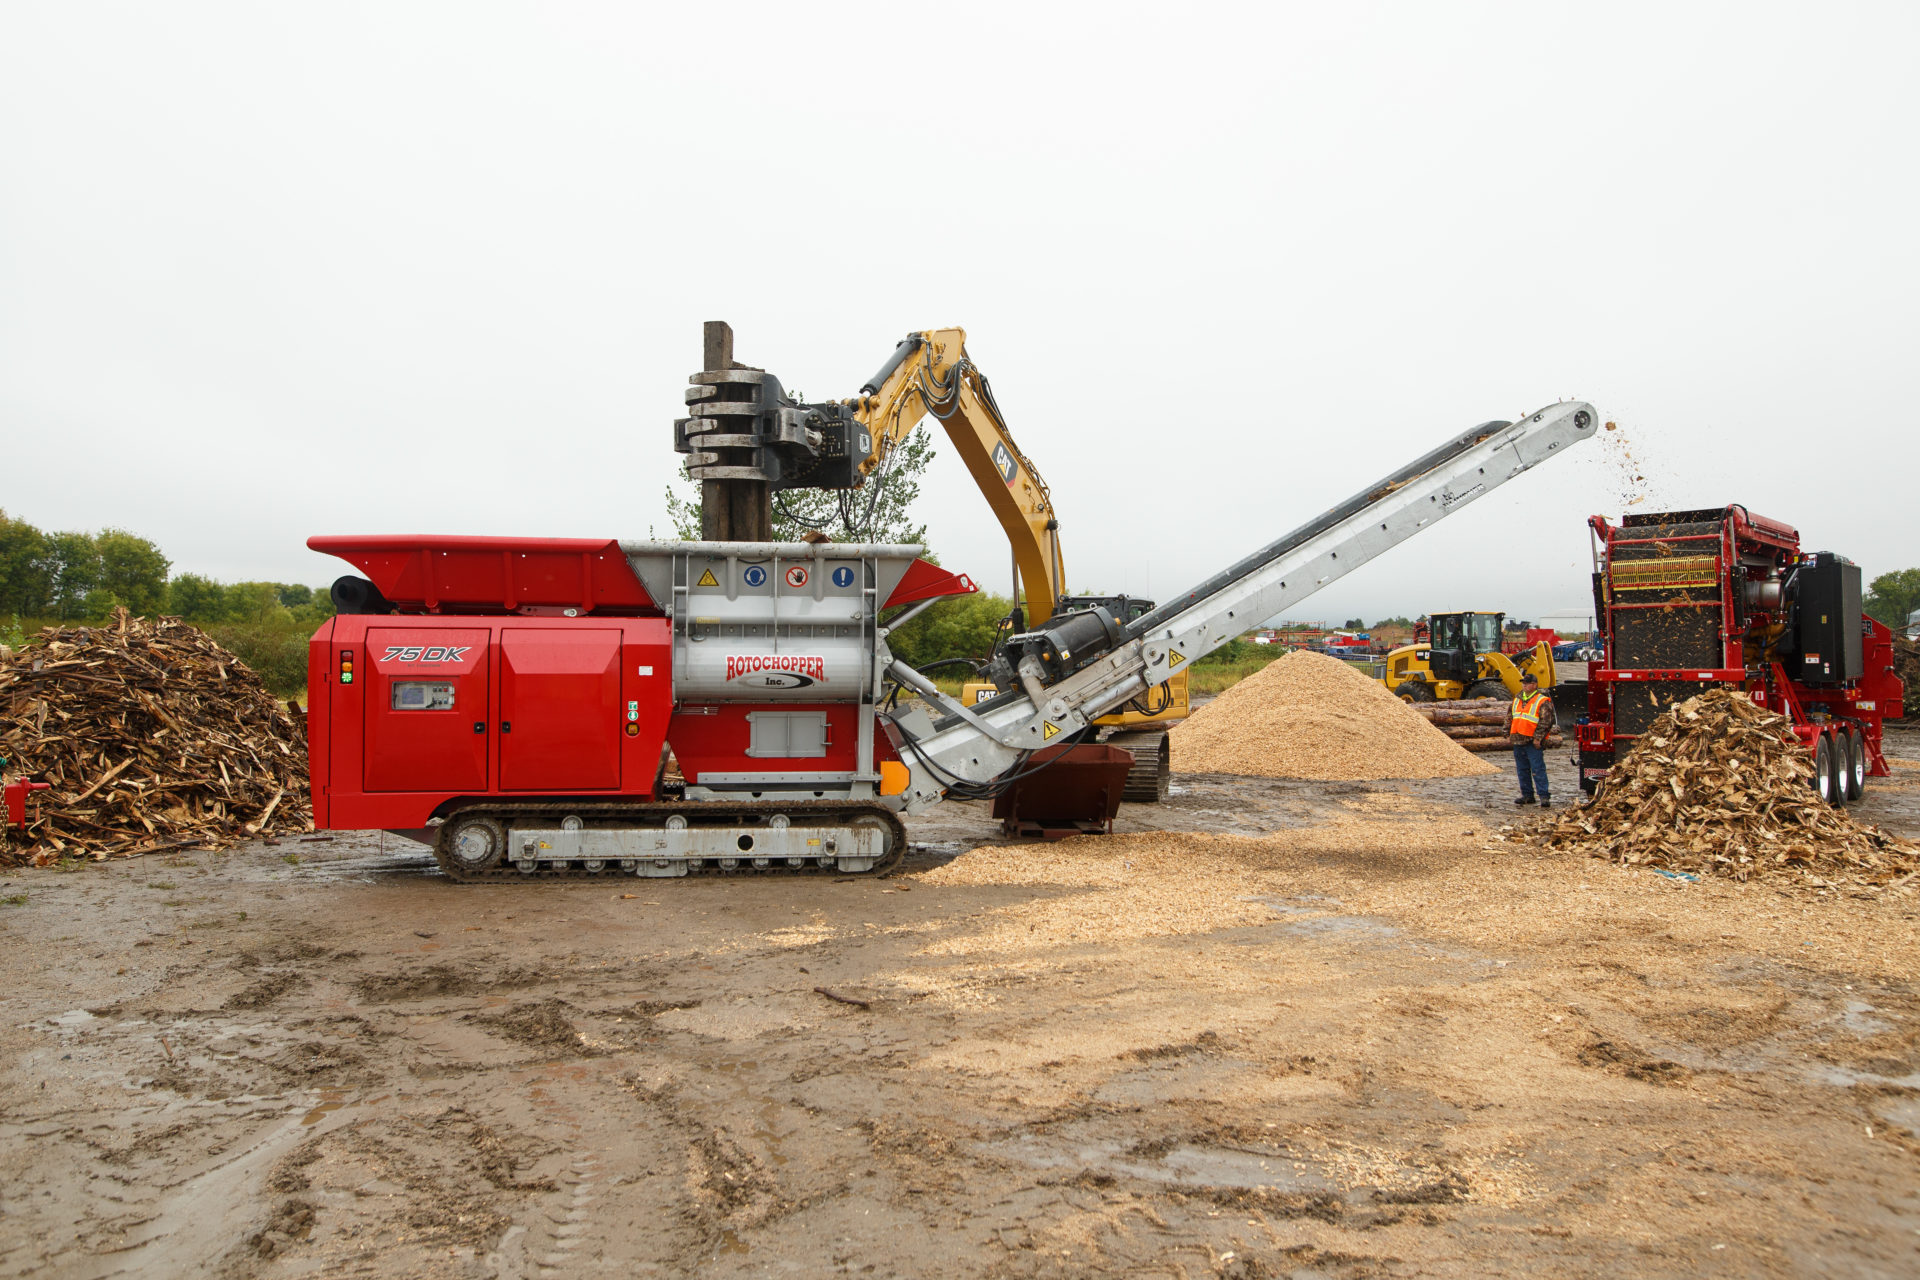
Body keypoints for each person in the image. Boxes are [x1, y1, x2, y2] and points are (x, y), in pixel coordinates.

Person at [1509, 671, 1556, 807]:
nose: (1524, 686)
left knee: (1537, 768)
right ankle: (1527, 795)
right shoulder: (1517, 699)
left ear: (1534, 685)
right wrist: (1507, 732)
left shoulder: (1542, 700)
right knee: (1522, 769)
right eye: (1523, 683)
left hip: (1532, 741)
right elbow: (1510, 716)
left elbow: (1546, 721)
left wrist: (1538, 738)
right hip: (1518, 739)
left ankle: (1543, 796)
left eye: (1527, 684)